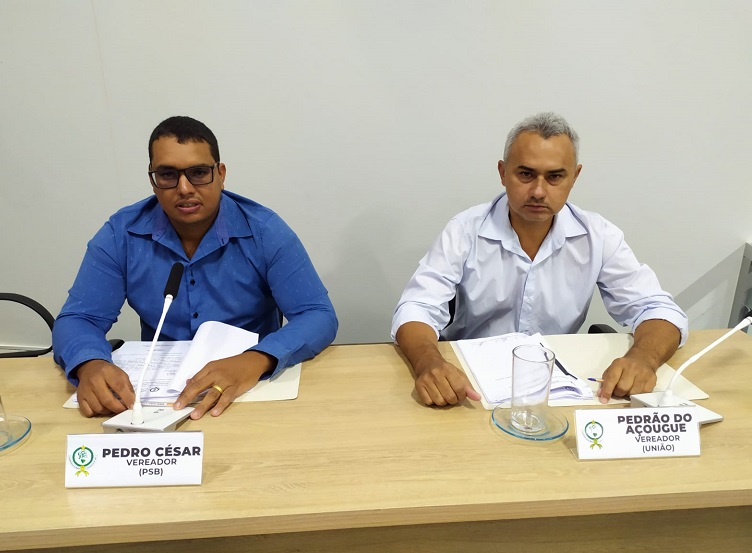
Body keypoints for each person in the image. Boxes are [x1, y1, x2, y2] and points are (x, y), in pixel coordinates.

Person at [391, 112, 687, 407]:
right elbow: (416, 308)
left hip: (557, 388)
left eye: (555, 177)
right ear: (502, 172)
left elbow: (657, 309)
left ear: (575, 177)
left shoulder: (598, 236)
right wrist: (429, 362)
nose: (538, 192)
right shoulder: (464, 230)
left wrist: (643, 359)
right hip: (470, 385)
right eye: (525, 174)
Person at [54, 116, 338, 420]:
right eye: (167, 175)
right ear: (153, 179)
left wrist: (257, 360)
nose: (185, 188)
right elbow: (79, 318)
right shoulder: (121, 234)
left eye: (199, 173)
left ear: (221, 174)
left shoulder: (264, 231)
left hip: (250, 389)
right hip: (159, 399)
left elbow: (317, 315)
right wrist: (89, 363)